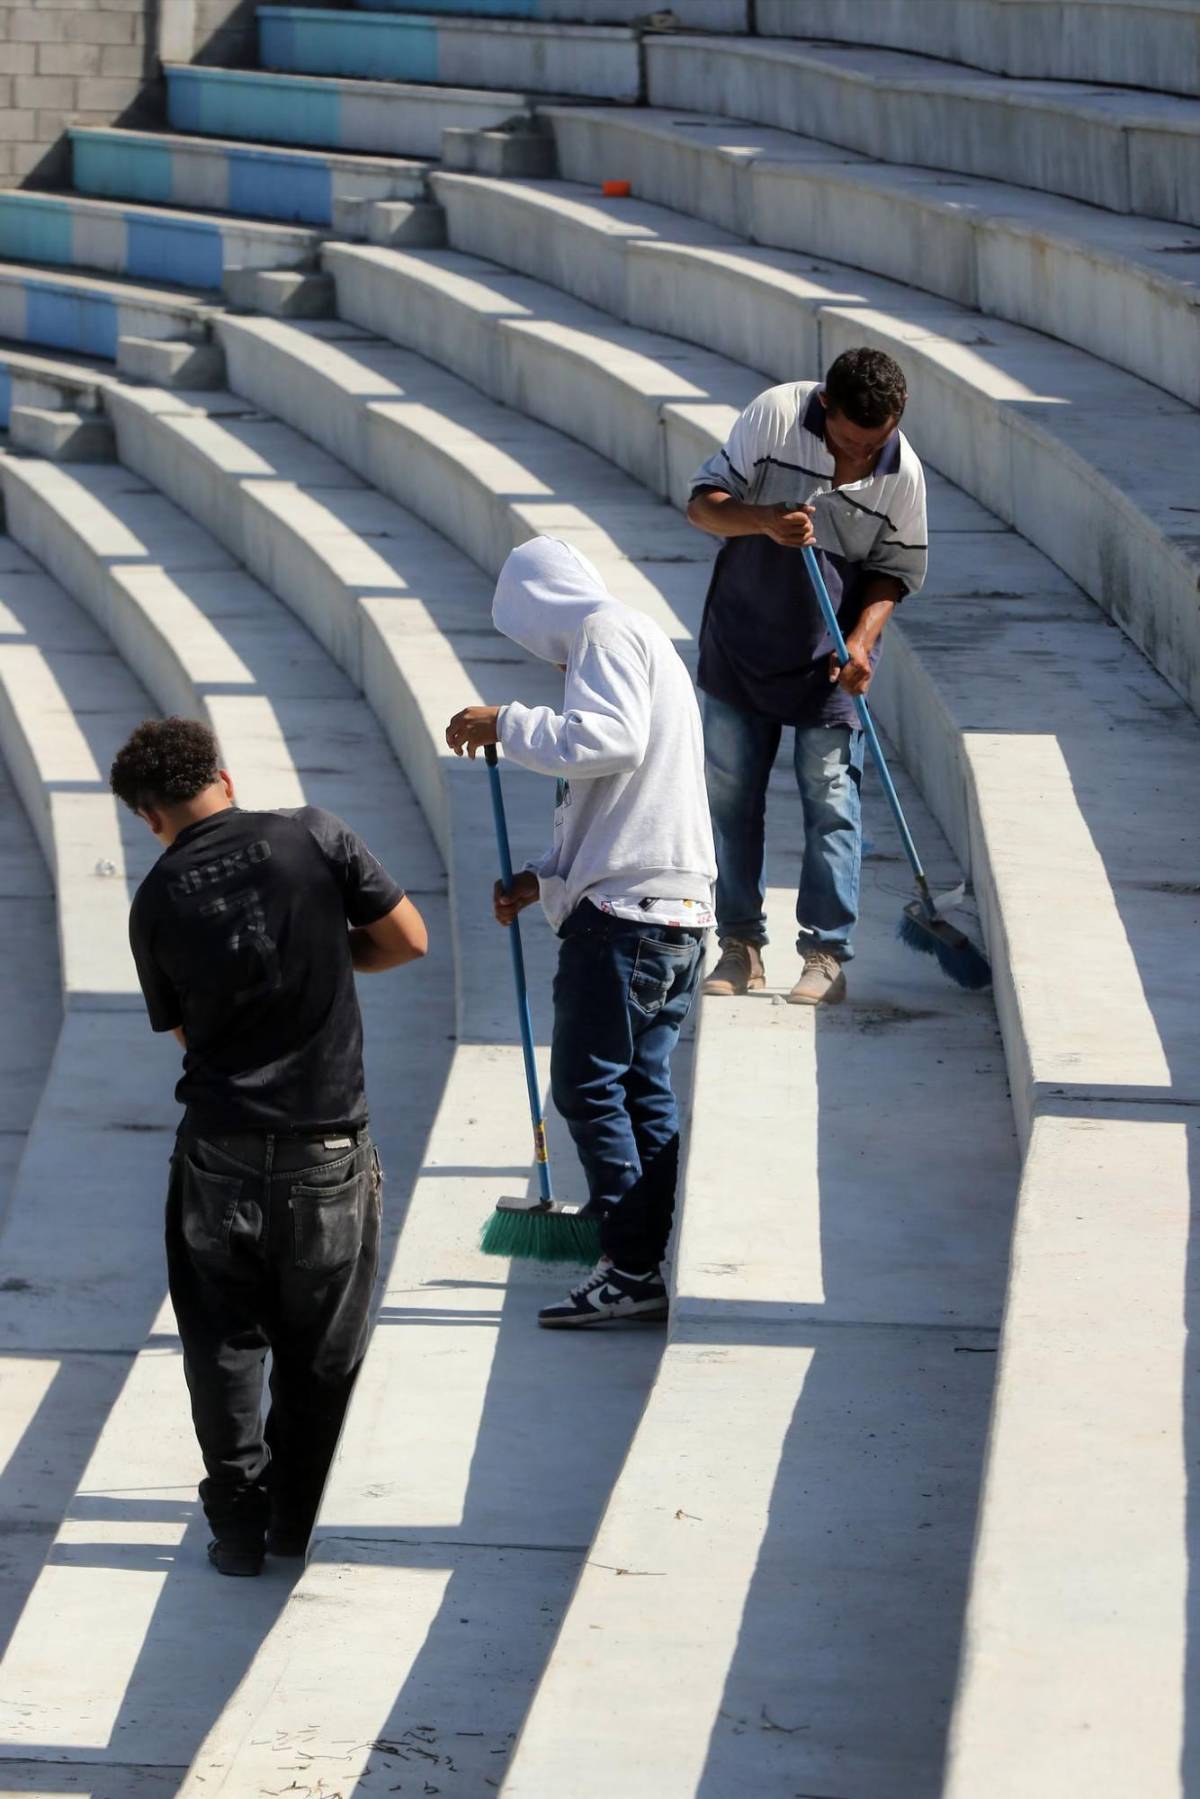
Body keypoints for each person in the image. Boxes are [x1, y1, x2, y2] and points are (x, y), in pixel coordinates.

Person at [110, 717, 428, 1577]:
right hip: (326, 1144)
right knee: (323, 1345)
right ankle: (298, 1516)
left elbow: (185, 1031)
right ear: (224, 774)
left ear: (150, 816)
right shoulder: (315, 835)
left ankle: (238, 1526)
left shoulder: (156, 900)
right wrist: (326, 955)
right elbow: (408, 939)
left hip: (218, 1148)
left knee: (220, 1340)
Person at [445, 536, 716, 1330]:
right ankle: (640, 1252)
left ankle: (627, 1259)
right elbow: (625, 797)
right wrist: (545, 876)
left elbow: (610, 743)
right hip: (674, 910)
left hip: (627, 921)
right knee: (639, 1087)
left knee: (587, 1085)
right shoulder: (641, 642)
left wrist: (506, 721)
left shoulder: (603, 632)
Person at [687, 346, 928, 1005]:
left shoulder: (902, 472)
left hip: (829, 660)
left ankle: (826, 952)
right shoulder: (773, 416)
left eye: (871, 444)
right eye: (848, 441)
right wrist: (763, 520)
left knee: (832, 801)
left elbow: (894, 573)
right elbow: (702, 507)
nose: (857, 458)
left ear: (896, 419)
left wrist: (860, 640)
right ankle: (739, 945)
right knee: (731, 797)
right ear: (826, 408)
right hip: (741, 639)